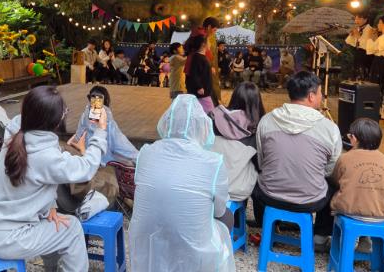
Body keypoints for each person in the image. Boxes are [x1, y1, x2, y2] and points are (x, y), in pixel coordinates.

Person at [0, 86, 108, 272]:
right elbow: (86, 168)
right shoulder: (46, 155)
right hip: (6, 239)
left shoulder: (14, 132)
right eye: (64, 112)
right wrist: (100, 131)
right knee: (72, 229)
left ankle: (51, 269)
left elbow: (36, 179)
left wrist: (50, 205)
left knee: (53, 223)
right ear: (56, 120)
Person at [130, 95, 235, 272]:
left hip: (146, 239)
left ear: (167, 122)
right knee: (227, 216)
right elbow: (218, 211)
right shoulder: (213, 162)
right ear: (202, 126)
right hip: (193, 245)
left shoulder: (146, 153)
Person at [253, 71, 342, 248]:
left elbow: (262, 161)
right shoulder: (329, 129)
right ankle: (320, 237)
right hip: (310, 201)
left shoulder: (267, 121)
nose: (321, 97)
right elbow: (332, 169)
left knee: (257, 176)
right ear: (311, 96)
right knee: (333, 184)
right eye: (320, 93)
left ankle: (270, 228)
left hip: (270, 196)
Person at [331, 118, 384, 223]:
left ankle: (323, 232)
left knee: (329, 189)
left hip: (350, 213)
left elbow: (335, 181)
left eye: (349, 136)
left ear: (354, 138)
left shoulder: (345, 158)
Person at [210, 81, 265, 201]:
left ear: (234, 97)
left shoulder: (215, 118)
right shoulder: (257, 127)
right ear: (257, 103)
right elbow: (260, 165)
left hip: (211, 183)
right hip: (236, 190)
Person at [74, 86, 138, 166]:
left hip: (86, 158)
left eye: (98, 98)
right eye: (94, 98)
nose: (96, 101)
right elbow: (120, 144)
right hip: (102, 164)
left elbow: (78, 137)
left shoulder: (85, 114)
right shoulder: (106, 118)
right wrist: (138, 157)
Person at [184, 34, 214, 113]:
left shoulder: (201, 57)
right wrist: (199, 87)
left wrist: (210, 69)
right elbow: (194, 73)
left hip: (204, 90)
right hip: (201, 91)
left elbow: (200, 70)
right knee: (210, 112)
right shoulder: (197, 57)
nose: (210, 43)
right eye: (209, 42)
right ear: (203, 44)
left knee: (199, 111)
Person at [346, 11, 375, 80]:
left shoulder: (370, 29)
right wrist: (351, 34)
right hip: (358, 53)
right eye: (356, 19)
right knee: (356, 74)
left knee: (363, 75)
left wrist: (358, 36)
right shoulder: (358, 29)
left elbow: (367, 46)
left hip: (366, 55)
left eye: (359, 19)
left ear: (365, 20)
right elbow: (349, 42)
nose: (356, 21)